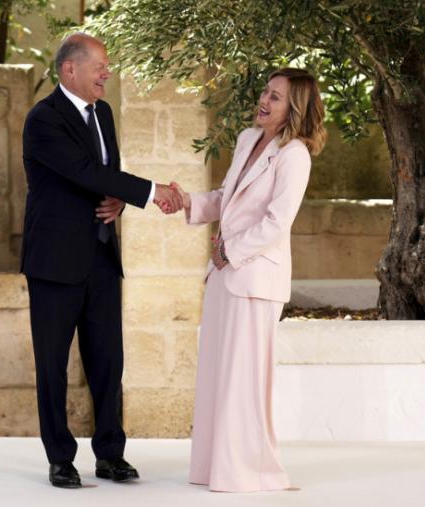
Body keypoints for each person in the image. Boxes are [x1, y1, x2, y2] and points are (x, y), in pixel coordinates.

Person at [20, 33, 182, 489]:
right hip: (55, 262)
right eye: (99, 67)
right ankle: (60, 458)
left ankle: (111, 454)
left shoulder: (103, 113)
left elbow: (105, 176)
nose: (107, 74)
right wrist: (151, 192)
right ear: (69, 69)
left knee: (109, 362)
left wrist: (121, 201)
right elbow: (83, 172)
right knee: (52, 366)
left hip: (102, 256)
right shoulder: (43, 119)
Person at [167, 68, 326, 492]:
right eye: (265, 91)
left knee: (243, 379)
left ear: (294, 108)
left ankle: (248, 471)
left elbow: (277, 222)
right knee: (217, 373)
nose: (264, 100)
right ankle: (213, 468)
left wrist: (229, 251)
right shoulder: (247, 139)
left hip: (255, 278)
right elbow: (226, 199)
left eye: (275, 97)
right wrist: (188, 202)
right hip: (225, 274)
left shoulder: (295, 155)